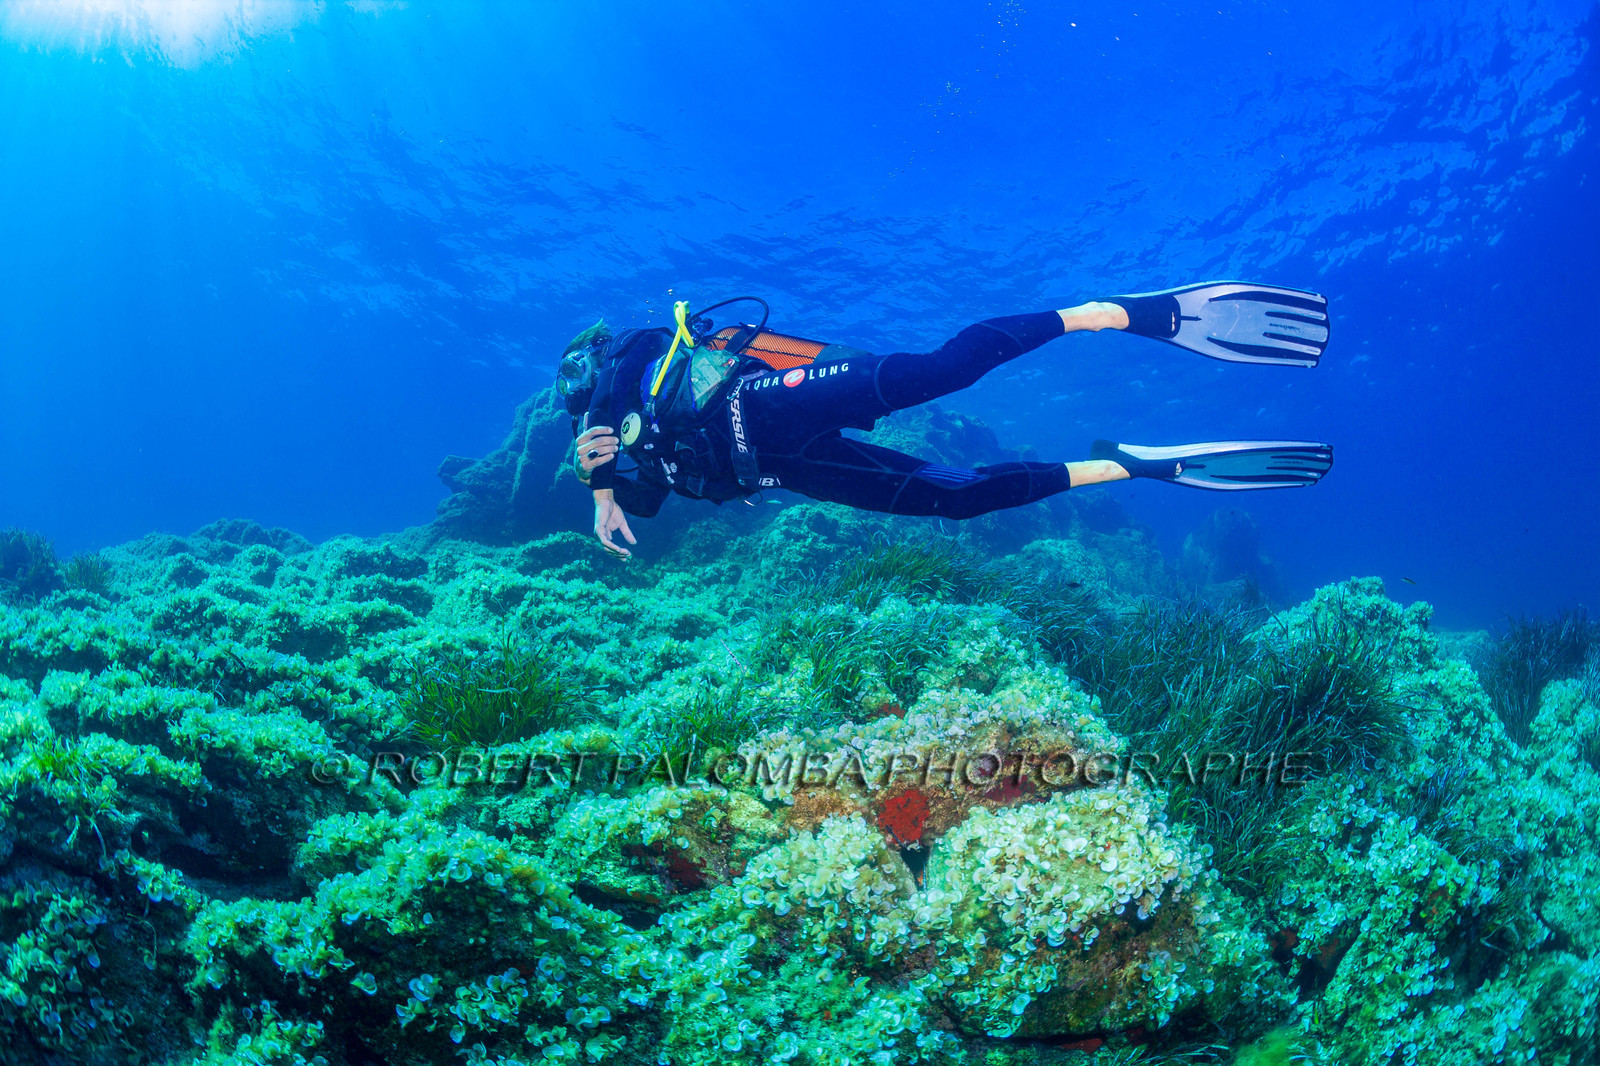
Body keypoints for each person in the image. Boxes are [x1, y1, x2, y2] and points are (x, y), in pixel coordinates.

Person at [556, 282, 1334, 560]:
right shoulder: (617, 446)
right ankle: (1123, 464)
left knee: (939, 371)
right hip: (782, 467)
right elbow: (653, 498)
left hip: (765, 400)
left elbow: (629, 360)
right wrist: (612, 496)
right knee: (953, 499)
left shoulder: (627, 358)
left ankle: (1105, 313)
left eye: (572, 375)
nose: (573, 394)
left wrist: (595, 478)